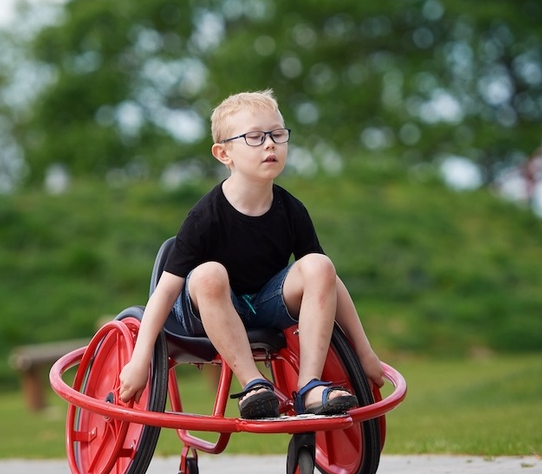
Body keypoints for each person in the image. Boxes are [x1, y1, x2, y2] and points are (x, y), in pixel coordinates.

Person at [118, 89, 384, 418]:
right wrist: (140, 358)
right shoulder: (205, 216)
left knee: (318, 264)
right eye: (255, 137)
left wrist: (365, 352)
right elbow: (165, 291)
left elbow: (328, 282)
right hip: (205, 313)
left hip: (263, 306)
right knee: (209, 273)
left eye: (277, 134)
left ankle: (309, 386)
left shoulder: (291, 210)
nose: (270, 144)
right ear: (223, 153)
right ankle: (254, 385)